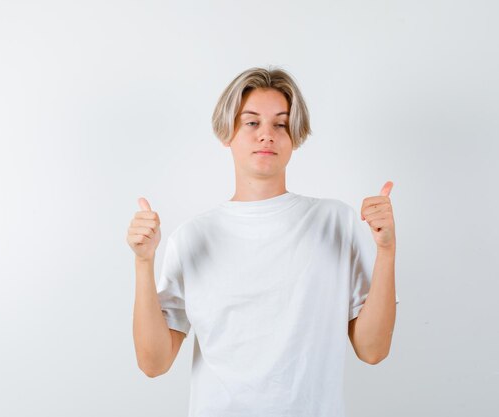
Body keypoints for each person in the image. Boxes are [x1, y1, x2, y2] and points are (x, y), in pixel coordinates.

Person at [127, 66, 400, 417]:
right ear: (228, 133)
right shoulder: (193, 237)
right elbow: (154, 362)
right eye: (252, 122)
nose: (266, 135)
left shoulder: (336, 223)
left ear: (294, 136)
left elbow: (373, 350)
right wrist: (143, 262)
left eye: (280, 124)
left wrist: (387, 251)